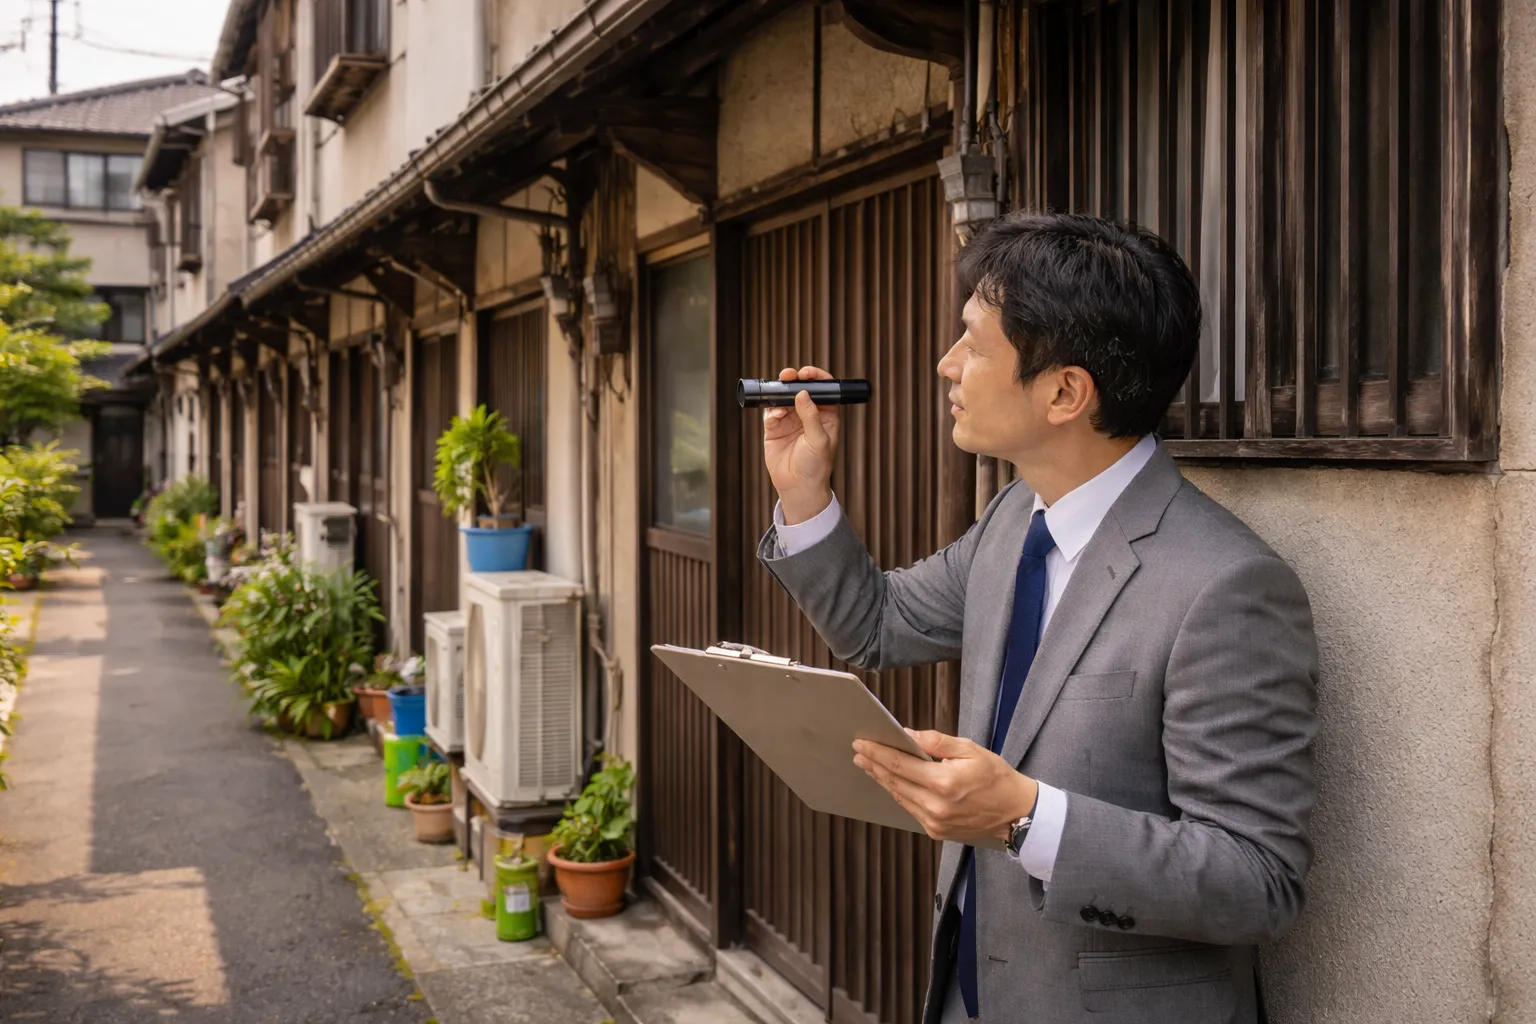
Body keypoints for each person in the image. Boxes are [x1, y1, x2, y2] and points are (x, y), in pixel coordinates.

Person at [756, 212, 1318, 1024]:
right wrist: (804, 490)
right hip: (967, 989)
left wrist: (1024, 818)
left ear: (1065, 391)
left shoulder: (1227, 586)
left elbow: (1257, 881)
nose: (946, 365)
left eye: (974, 344)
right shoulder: (1018, 517)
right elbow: (877, 626)